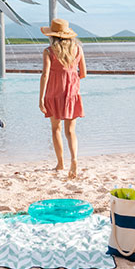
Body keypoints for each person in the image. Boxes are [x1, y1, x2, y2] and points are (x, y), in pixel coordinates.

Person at [38, 19, 87, 179]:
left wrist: (41, 98)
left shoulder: (49, 51)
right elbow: (83, 73)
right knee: (71, 131)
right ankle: (74, 159)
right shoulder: (78, 49)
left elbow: (45, 75)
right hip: (72, 93)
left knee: (56, 129)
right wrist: (71, 76)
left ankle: (60, 163)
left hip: (53, 93)